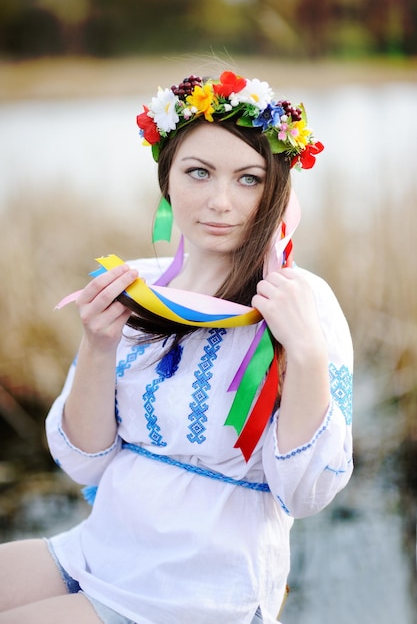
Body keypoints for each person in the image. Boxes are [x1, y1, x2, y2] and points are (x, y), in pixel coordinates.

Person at [0, 70, 353, 624]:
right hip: (106, 541)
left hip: (198, 581)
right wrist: (97, 345)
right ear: (168, 181)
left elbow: (307, 494)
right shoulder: (137, 285)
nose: (219, 201)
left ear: (279, 189)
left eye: (249, 178)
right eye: (199, 172)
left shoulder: (300, 301)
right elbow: (85, 463)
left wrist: (305, 351)